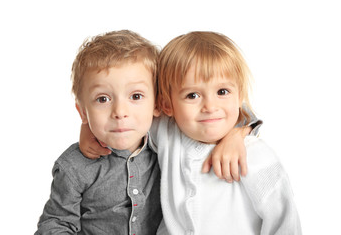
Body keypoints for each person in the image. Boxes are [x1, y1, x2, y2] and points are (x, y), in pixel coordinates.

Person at [153, 31, 302, 234]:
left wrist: (240, 133)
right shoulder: (166, 134)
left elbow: (284, 219)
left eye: (222, 92)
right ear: (167, 105)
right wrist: (92, 129)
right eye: (192, 95)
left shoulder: (255, 155)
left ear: (239, 95)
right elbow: (129, 115)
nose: (210, 106)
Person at [35, 30, 163, 234]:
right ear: (83, 112)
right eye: (103, 99)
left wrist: (235, 137)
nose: (120, 112)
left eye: (136, 96)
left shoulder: (167, 149)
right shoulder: (74, 168)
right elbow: (56, 223)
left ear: (158, 103)